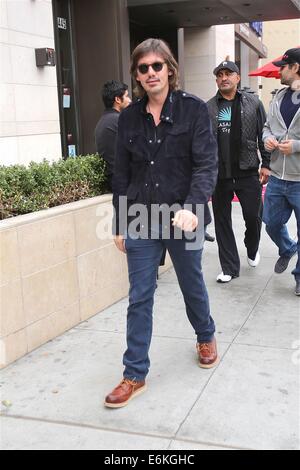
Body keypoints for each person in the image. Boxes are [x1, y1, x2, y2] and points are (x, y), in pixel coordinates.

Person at [104, 38, 218, 408]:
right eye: (143, 68)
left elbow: (206, 165)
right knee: (139, 297)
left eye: (157, 66)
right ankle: (134, 373)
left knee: (191, 285)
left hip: (183, 217)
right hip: (140, 218)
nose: (150, 73)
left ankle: (205, 333)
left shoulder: (194, 110)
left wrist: (192, 206)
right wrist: (119, 222)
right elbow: (121, 173)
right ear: (136, 75)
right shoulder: (128, 118)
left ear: (170, 68)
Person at [207, 60, 270, 283]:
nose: (224, 77)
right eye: (220, 74)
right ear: (216, 80)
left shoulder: (253, 103)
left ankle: (252, 248)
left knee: (253, 218)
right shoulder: (209, 107)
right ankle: (230, 268)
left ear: (237, 78)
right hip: (219, 175)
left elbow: (264, 135)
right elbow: (203, 143)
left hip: (248, 171)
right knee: (222, 221)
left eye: (228, 74)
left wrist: (266, 164)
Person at [262, 47, 300, 296]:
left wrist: (296, 146)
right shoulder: (278, 97)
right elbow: (267, 126)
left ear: (296, 67)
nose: (279, 70)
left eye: (283, 66)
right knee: (271, 223)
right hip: (277, 178)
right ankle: (287, 248)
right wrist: (267, 139)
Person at [95, 80, 131, 190]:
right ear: (117, 99)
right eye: (127, 96)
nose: (130, 100)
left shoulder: (104, 120)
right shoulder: (118, 120)